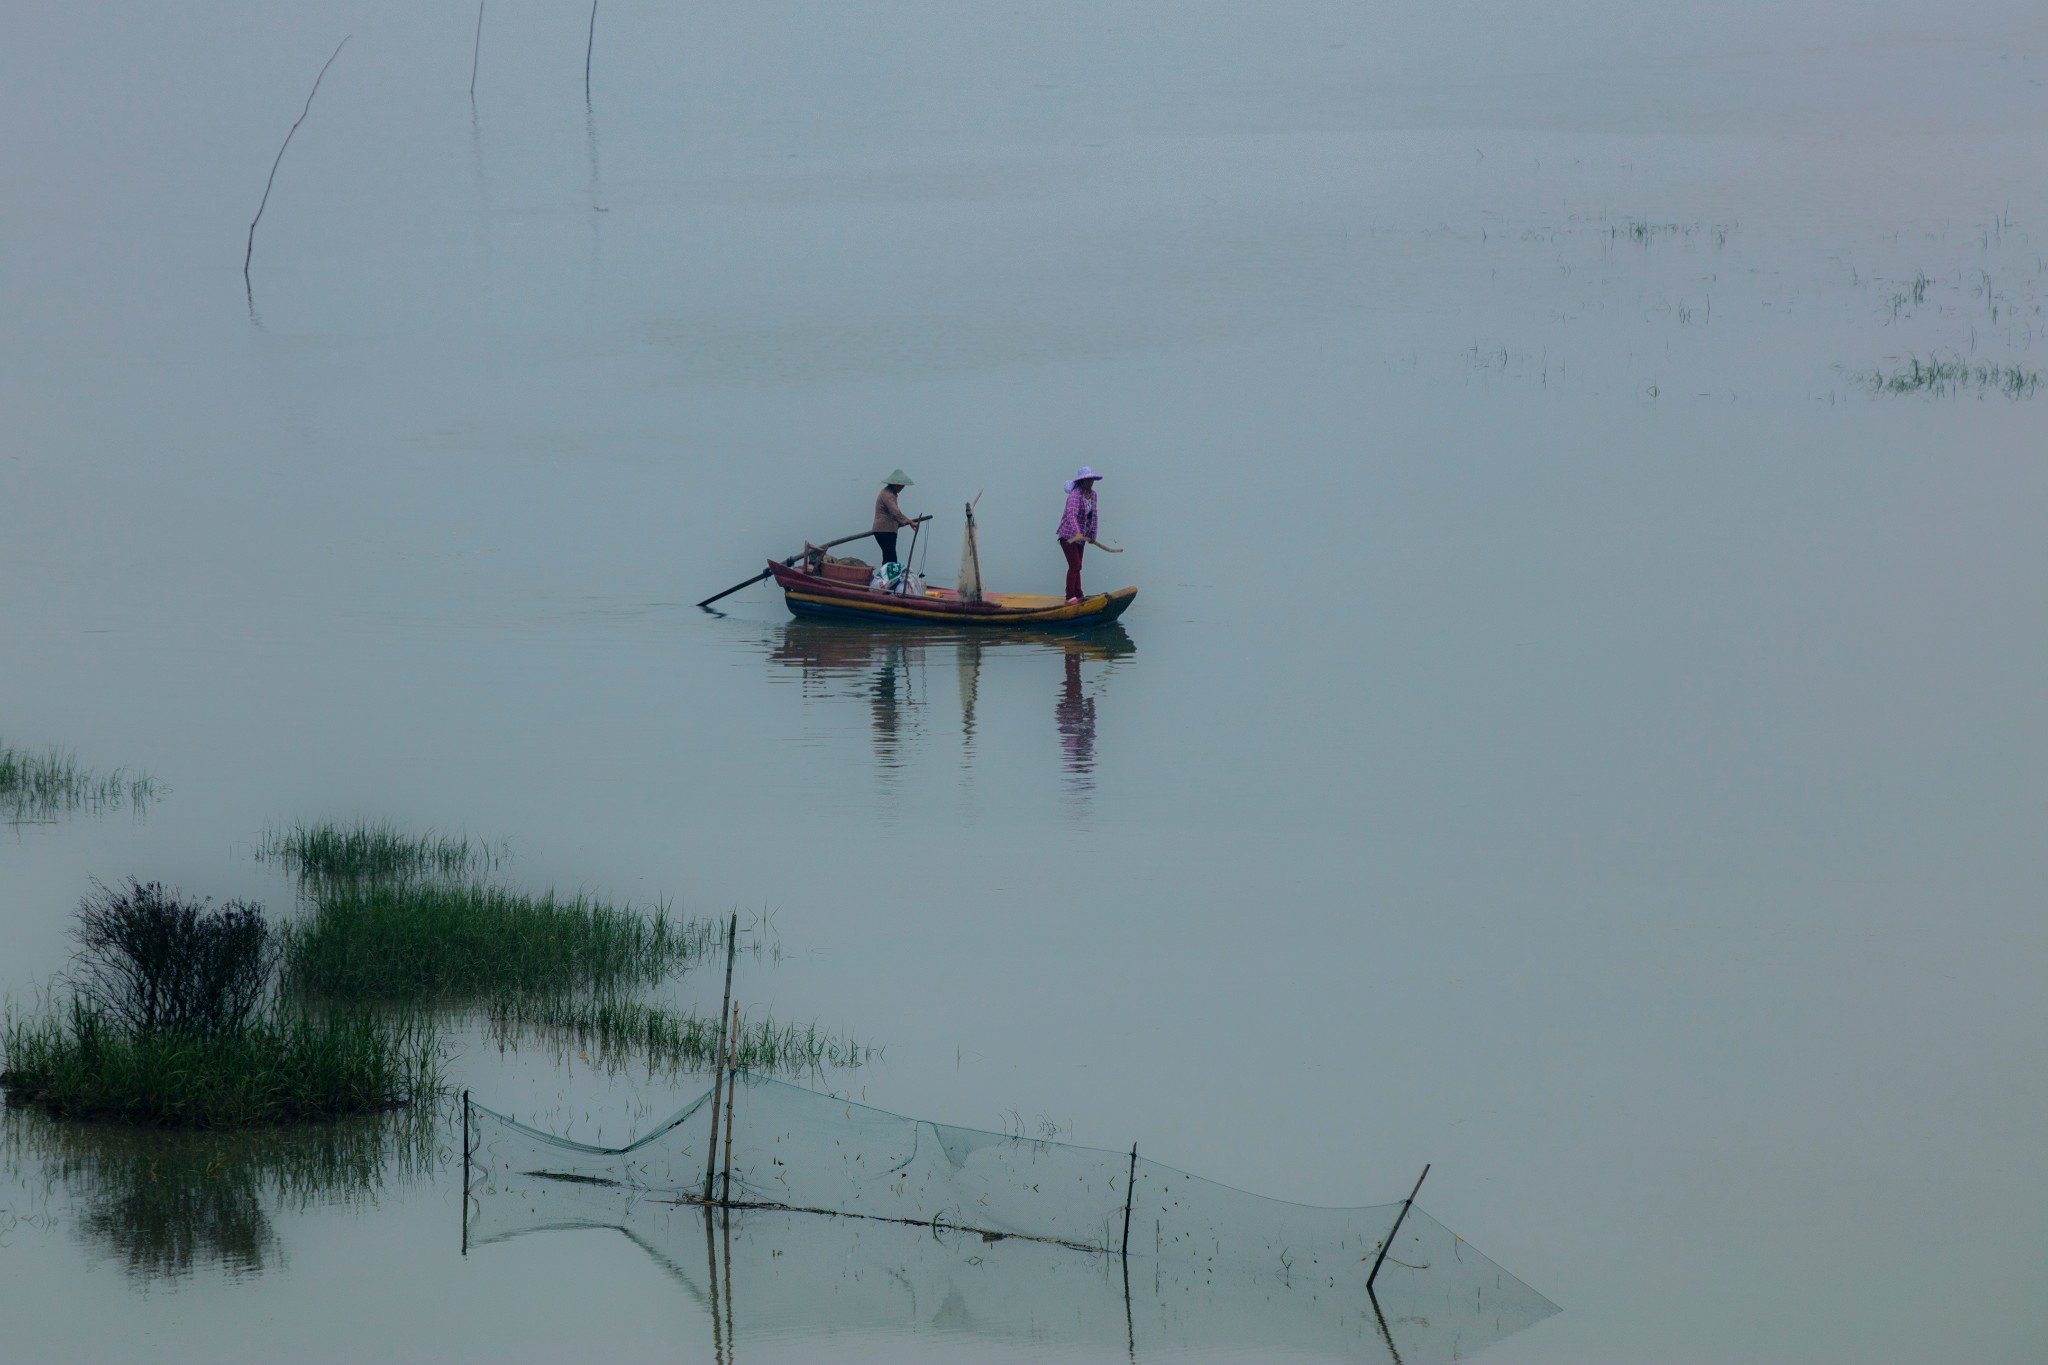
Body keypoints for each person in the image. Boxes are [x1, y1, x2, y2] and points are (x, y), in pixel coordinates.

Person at [1055, 466, 1104, 602]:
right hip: (1068, 536)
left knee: (1079, 566)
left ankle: (1079, 594)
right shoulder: (1075, 495)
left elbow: (1094, 515)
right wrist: (1077, 532)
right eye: (1087, 480)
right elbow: (1072, 515)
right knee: (1075, 565)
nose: (1090, 482)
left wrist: (1093, 534)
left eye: (1091, 480)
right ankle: (1070, 596)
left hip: (1081, 537)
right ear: (1082, 481)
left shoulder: (1093, 495)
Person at [872, 469, 916, 566]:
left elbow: (896, 514)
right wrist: (908, 522)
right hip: (884, 530)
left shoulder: (891, 494)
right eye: (901, 486)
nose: (902, 488)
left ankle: (886, 578)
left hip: (889, 530)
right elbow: (896, 513)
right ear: (895, 484)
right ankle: (888, 579)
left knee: (889, 556)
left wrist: (908, 521)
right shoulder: (887, 495)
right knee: (891, 558)